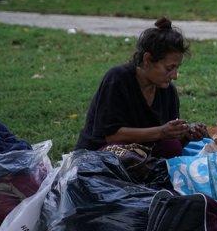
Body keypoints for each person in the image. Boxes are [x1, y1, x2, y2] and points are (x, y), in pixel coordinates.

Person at [75, 17, 208, 158]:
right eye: (170, 68)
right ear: (147, 59)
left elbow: (167, 139)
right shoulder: (118, 79)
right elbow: (112, 136)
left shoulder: (167, 91)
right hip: (99, 154)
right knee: (127, 157)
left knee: (172, 147)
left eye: (177, 68)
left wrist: (186, 135)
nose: (175, 75)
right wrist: (162, 131)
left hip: (143, 153)